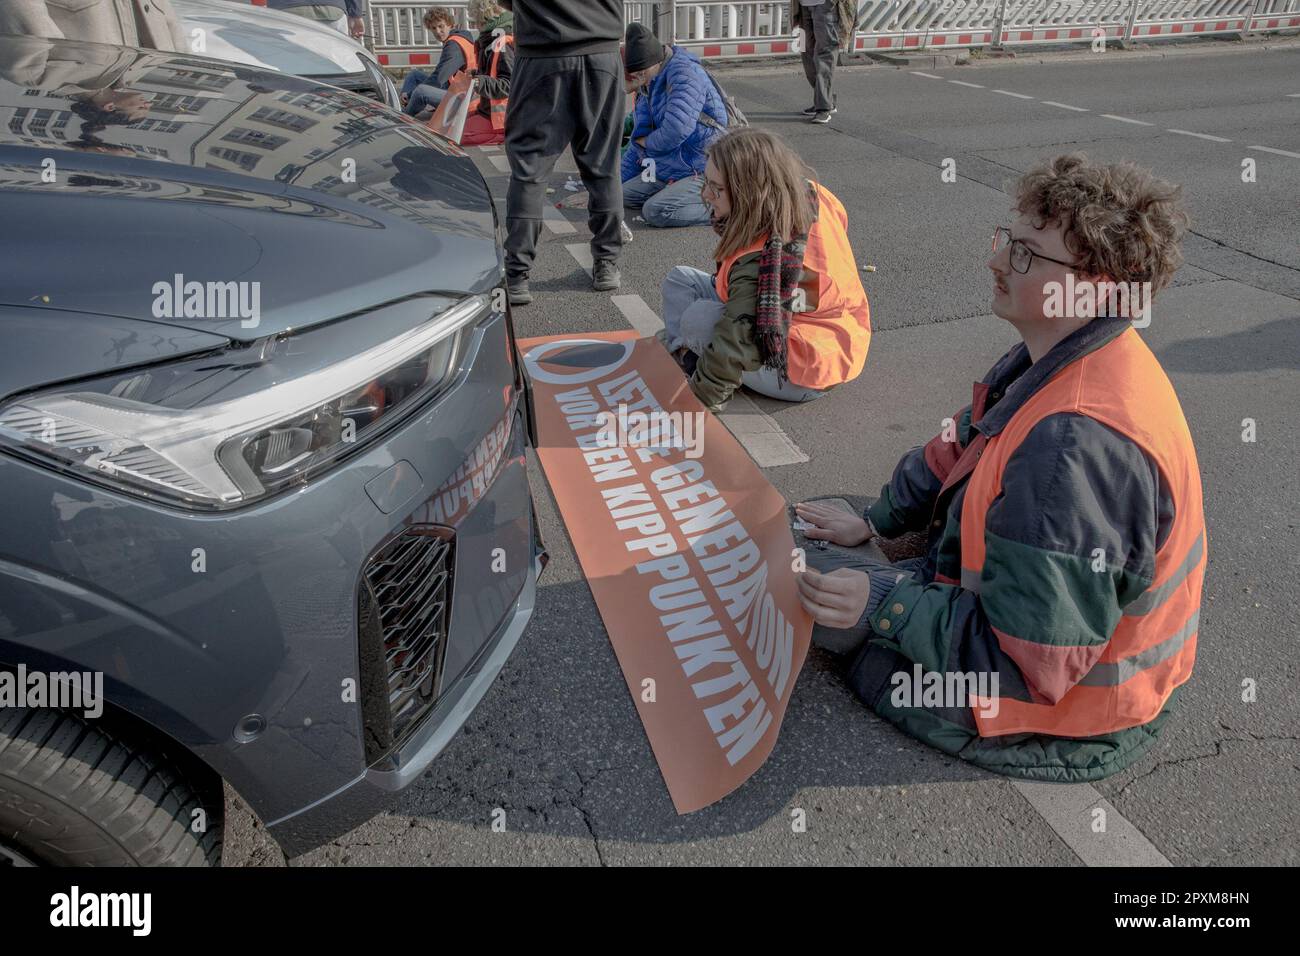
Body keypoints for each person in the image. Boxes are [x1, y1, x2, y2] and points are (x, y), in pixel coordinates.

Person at [795, 153, 1204, 783]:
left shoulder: (1071, 450)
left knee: (813, 595)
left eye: (1025, 253)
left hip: (1066, 716)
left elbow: (1025, 664)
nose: (995, 260)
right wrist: (872, 522)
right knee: (822, 548)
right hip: (1052, 643)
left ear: (1092, 282)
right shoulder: (1070, 352)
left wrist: (883, 602)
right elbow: (962, 444)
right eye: (1006, 241)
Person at [657, 128, 871, 412]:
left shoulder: (761, 259)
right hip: (841, 331)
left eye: (717, 188)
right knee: (680, 280)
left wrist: (695, 402)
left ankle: (706, 368)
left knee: (699, 319)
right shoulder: (812, 193)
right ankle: (692, 358)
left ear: (749, 193)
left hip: (805, 367)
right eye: (705, 182)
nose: (706, 195)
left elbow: (736, 337)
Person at [499, 0, 626, 305]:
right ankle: (606, 264)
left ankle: (517, 274)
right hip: (601, 51)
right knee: (603, 165)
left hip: (542, 54)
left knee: (529, 170)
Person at [620, 22, 727, 229]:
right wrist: (607, 191)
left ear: (650, 64)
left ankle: (731, 212)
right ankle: (677, 193)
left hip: (702, 164)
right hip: (673, 163)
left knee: (655, 211)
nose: (636, 80)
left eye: (638, 75)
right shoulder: (648, 83)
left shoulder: (685, 74)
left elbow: (676, 130)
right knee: (620, 196)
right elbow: (638, 142)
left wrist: (647, 143)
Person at [0, 0, 187, 52]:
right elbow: (25, 16)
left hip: (148, 82)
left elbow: (166, 17)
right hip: (81, 91)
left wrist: (181, 64)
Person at [452, 0, 514, 148]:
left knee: (449, 136)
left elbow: (510, 85)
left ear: (485, 18)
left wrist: (481, 81)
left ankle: (505, 136)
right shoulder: (491, 40)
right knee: (449, 128)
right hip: (489, 114)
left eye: (476, 20)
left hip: (499, 121)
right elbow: (495, 73)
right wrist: (477, 74)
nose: (474, 25)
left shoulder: (501, 44)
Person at [401, 7, 477, 116]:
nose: (438, 31)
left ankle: (404, 116)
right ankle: (406, 103)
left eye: (441, 26)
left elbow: (438, 78)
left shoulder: (454, 46)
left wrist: (410, 94)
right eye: (433, 28)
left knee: (421, 91)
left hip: (463, 99)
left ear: (450, 24)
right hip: (457, 88)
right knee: (414, 75)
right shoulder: (460, 37)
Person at [789, 0, 855, 124]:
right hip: (803, 6)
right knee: (805, 51)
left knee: (825, 53)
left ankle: (823, 107)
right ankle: (825, 99)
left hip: (825, 5)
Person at [266, 0, 367, 40]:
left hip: (285, 11)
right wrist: (356, 15)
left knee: (287, 65)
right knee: (336, 65)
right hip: (331, 11)